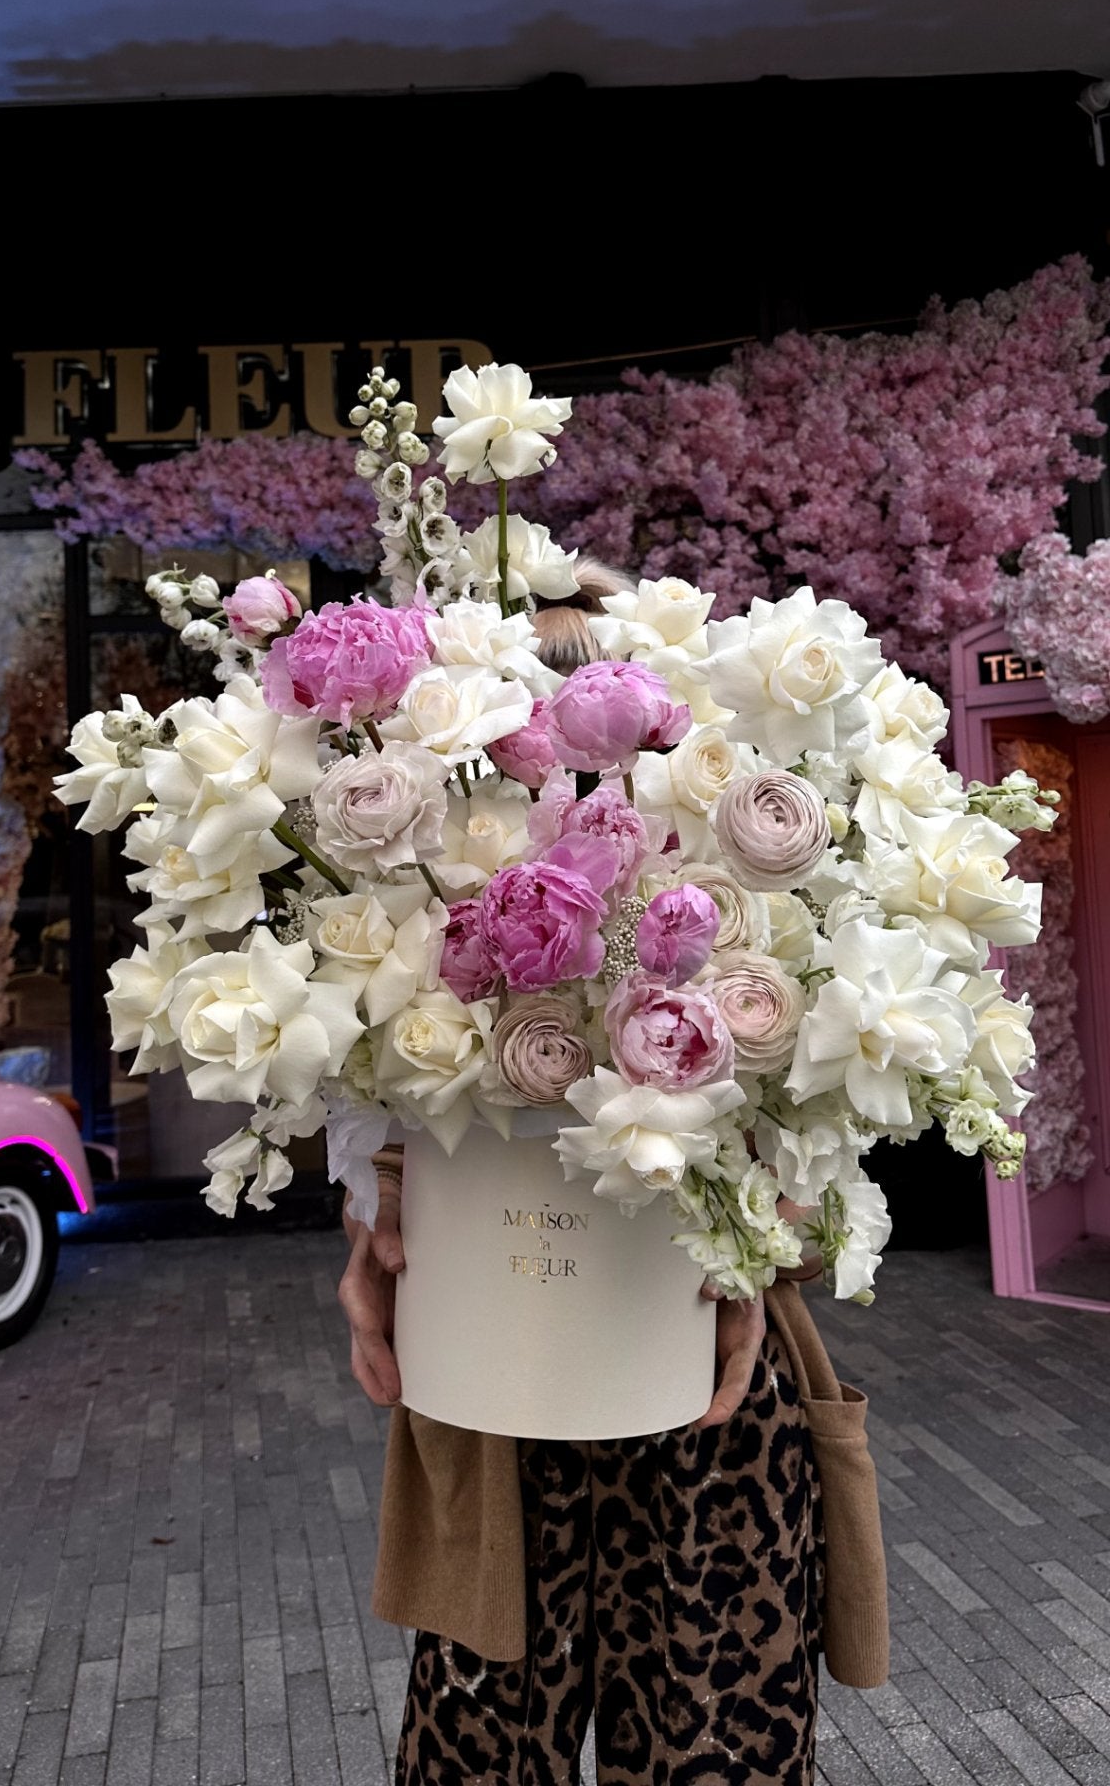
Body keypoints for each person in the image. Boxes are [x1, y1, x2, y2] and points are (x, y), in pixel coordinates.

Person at [340, 565, 889, 1786]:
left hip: (706, 1390)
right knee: (481, 1752)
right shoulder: (441, 898)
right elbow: (385, 1110)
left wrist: (759, 1248)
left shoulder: (731, 898)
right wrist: (369, 1237)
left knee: (721, 1751)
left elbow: (817, 1133)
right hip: (493, 1384)